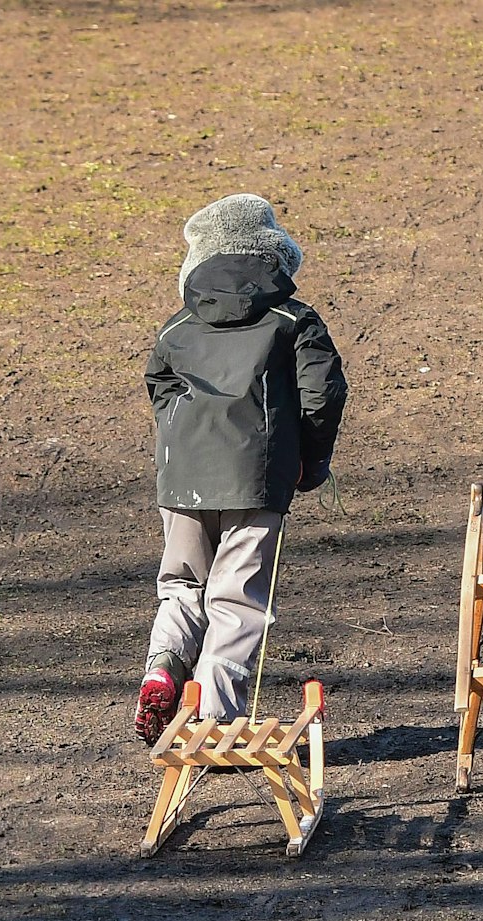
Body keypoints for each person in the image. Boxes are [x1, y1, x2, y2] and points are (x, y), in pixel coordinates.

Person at [135, 193, 348, 743]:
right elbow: (322, 394)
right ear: (272, 251)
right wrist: (309, 462)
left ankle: (162, 667)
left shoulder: (177, 325)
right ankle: (214, 718)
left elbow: (159, 386)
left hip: (181, 477)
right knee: (237, 598)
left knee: (181, 584)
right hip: (257, 477)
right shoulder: (294, 320)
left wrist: (179, 443)